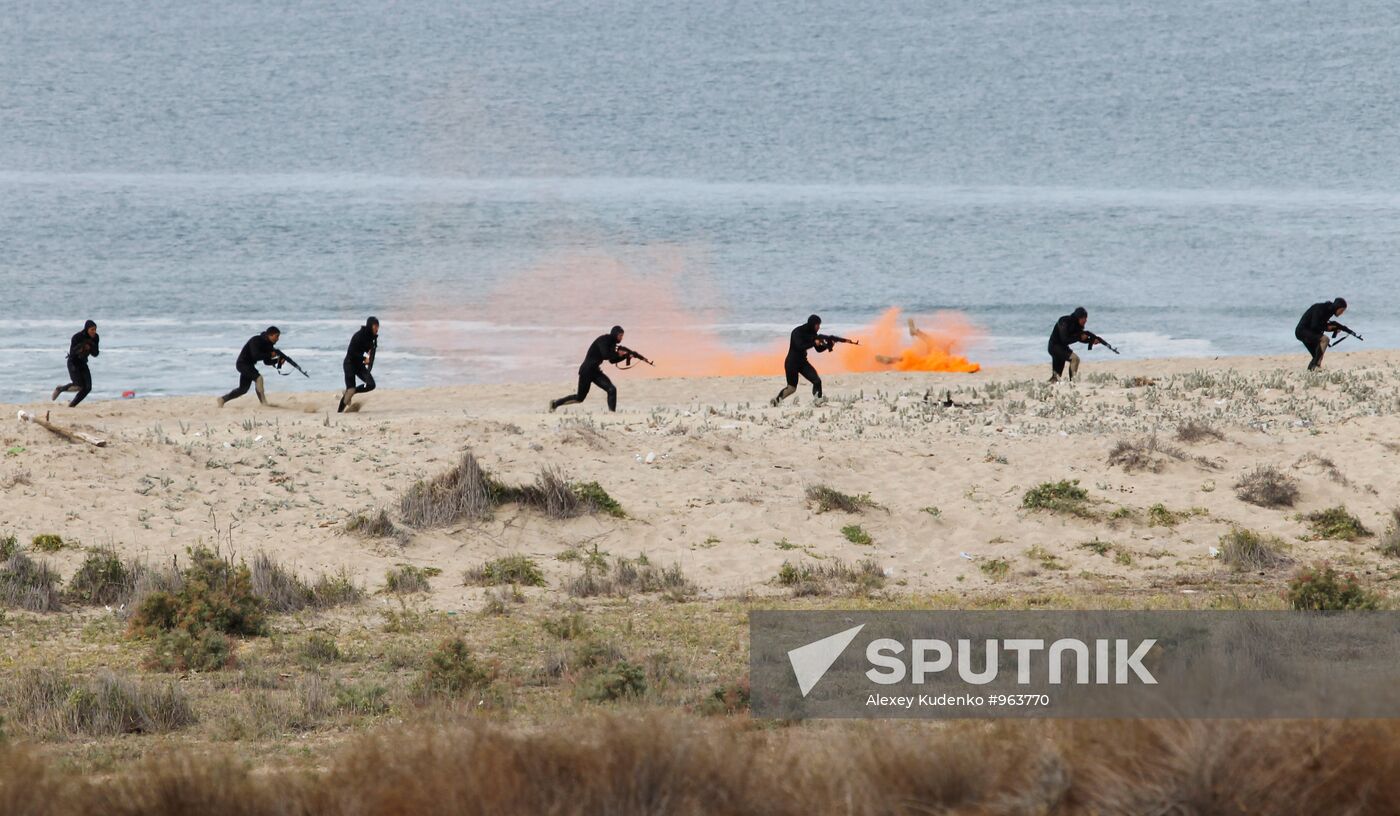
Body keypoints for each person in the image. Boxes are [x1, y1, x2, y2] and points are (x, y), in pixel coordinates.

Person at [549, 326, 634, 412]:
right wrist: (619, 354)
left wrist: (625, 356)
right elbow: (605, 355)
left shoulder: (612, 343)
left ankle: (612, 413)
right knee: (579, 398)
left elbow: (612, 360)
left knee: (611, 389)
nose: (621, 338)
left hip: (595, 371)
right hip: (586, 371)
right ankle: (555, 403)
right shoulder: (604, 340)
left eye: (622, 336)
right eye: (620, 335)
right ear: (615, 334)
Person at [772, 314, 831, 406]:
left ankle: (818, 401)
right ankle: (776, 402)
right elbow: (799, 346)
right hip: (792, 363)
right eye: (817, 325)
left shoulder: (813, 334)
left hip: (803, 363)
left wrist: (828, 346)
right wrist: (813, 342)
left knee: (817, 381)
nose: (819, 327)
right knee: (792, 388)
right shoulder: (797, 332)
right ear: (812, 324)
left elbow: (818, 349)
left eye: (819, 325)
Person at [218, 327, 284, 407]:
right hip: (242, 364)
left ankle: (222, 399)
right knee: (259, 378)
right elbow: (255, 356)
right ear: (270, 335)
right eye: (276, 336)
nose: (278, 339)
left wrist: (277, 361)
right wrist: (270, 354)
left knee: (243, 389)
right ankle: (264, 403)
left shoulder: (269, 345)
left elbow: (266, 362)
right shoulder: (256, 340)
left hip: (249, 365)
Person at [51, 320, 99, 406]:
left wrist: (91, 346)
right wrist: (83, 347)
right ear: (87, 329)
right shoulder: (77, 337)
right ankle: (60, 389)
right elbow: (73, 353)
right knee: (78, 386)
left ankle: (72, 405)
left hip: (83, 363)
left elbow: (95, 354)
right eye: (92, 329)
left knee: (88, 388)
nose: (94, 332)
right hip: (73, 363)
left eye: (95, 329)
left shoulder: (95, 337)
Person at [1047, 307, 1102, 382]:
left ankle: (1048, 386)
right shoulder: (1064, 321)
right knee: (1075, 359)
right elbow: (1065, 339)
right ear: (1078, 317)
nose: (1085, 320)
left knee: (1056, 376)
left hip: (1061, 347)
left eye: (1086, 318)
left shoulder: (1078, 326)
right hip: (1055, 347)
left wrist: (1091, 341)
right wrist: (1079, 337)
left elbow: (1080, 338)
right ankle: (1073, 382)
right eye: (1083, 318)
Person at [1295, 297, 1348, 371]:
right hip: (1302, 331)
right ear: (1337, 307)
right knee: (1325, 340)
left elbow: (1321, 324)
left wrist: (1333, 328)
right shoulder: (1322, 308)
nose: (1342, 313)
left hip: (1308, 332)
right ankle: (1316, 366)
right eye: (1342, 310)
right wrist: (1330, 328)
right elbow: (1315, 325)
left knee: (1317, 355)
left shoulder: (1329, 311)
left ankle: (1311, 371)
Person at [339, 316, 379, 412]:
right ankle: (339, 412)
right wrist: (364, 358)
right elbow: (351, 353)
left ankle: (350, 392)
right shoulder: (359, 336)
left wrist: (370, 353)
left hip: (359, 365)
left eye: (378, 327)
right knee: (351, 390)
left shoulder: (371, 338)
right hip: (349, 363)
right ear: (370, 326)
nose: (377, 329)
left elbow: (370, 353)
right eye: (375, 326)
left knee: (371, 385)